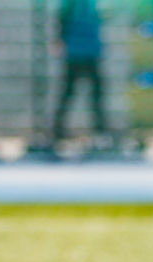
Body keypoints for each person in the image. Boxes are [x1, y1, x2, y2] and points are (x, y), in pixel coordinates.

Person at [50, 0, 107, 151]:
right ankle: (57, 131)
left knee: (95, 94)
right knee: (70, 93)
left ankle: (100, 132)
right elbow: (61, 18)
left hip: (89, 50)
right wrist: (60, 40)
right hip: (76, 51)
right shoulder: (72, 4)